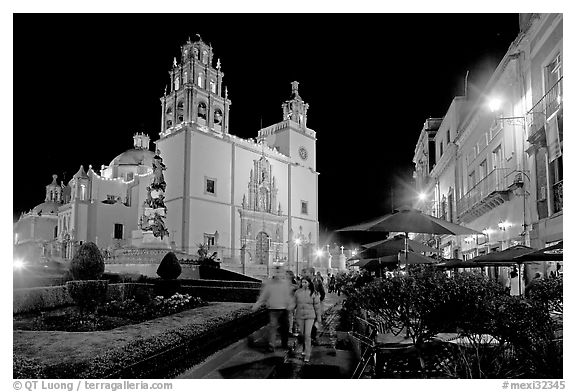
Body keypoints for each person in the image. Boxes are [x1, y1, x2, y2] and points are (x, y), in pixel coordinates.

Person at [252, 266, 295, 352]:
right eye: (277, 272)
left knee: (284, 328)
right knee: (273, 327)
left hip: (283, 309)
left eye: (280, 272)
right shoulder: (269, 284)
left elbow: (288, 296)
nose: (278, 274)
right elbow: (263, 296)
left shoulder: (285, 283)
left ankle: (284, 344)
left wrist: (290, 305)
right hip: (273, 309)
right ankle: (272, 345)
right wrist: (257, 305)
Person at [294, 277, 322, 363]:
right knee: (302, 334)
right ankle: (305, 350)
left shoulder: (314, 293)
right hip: (300, 316)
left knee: (307, 335)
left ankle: (307, 354)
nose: (303, 284)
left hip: (310, 316)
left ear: (309, 283)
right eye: (302, 282)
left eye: (305, 282)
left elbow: (317, 307)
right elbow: (294, 303)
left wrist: (318, 318)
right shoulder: (298, 292)